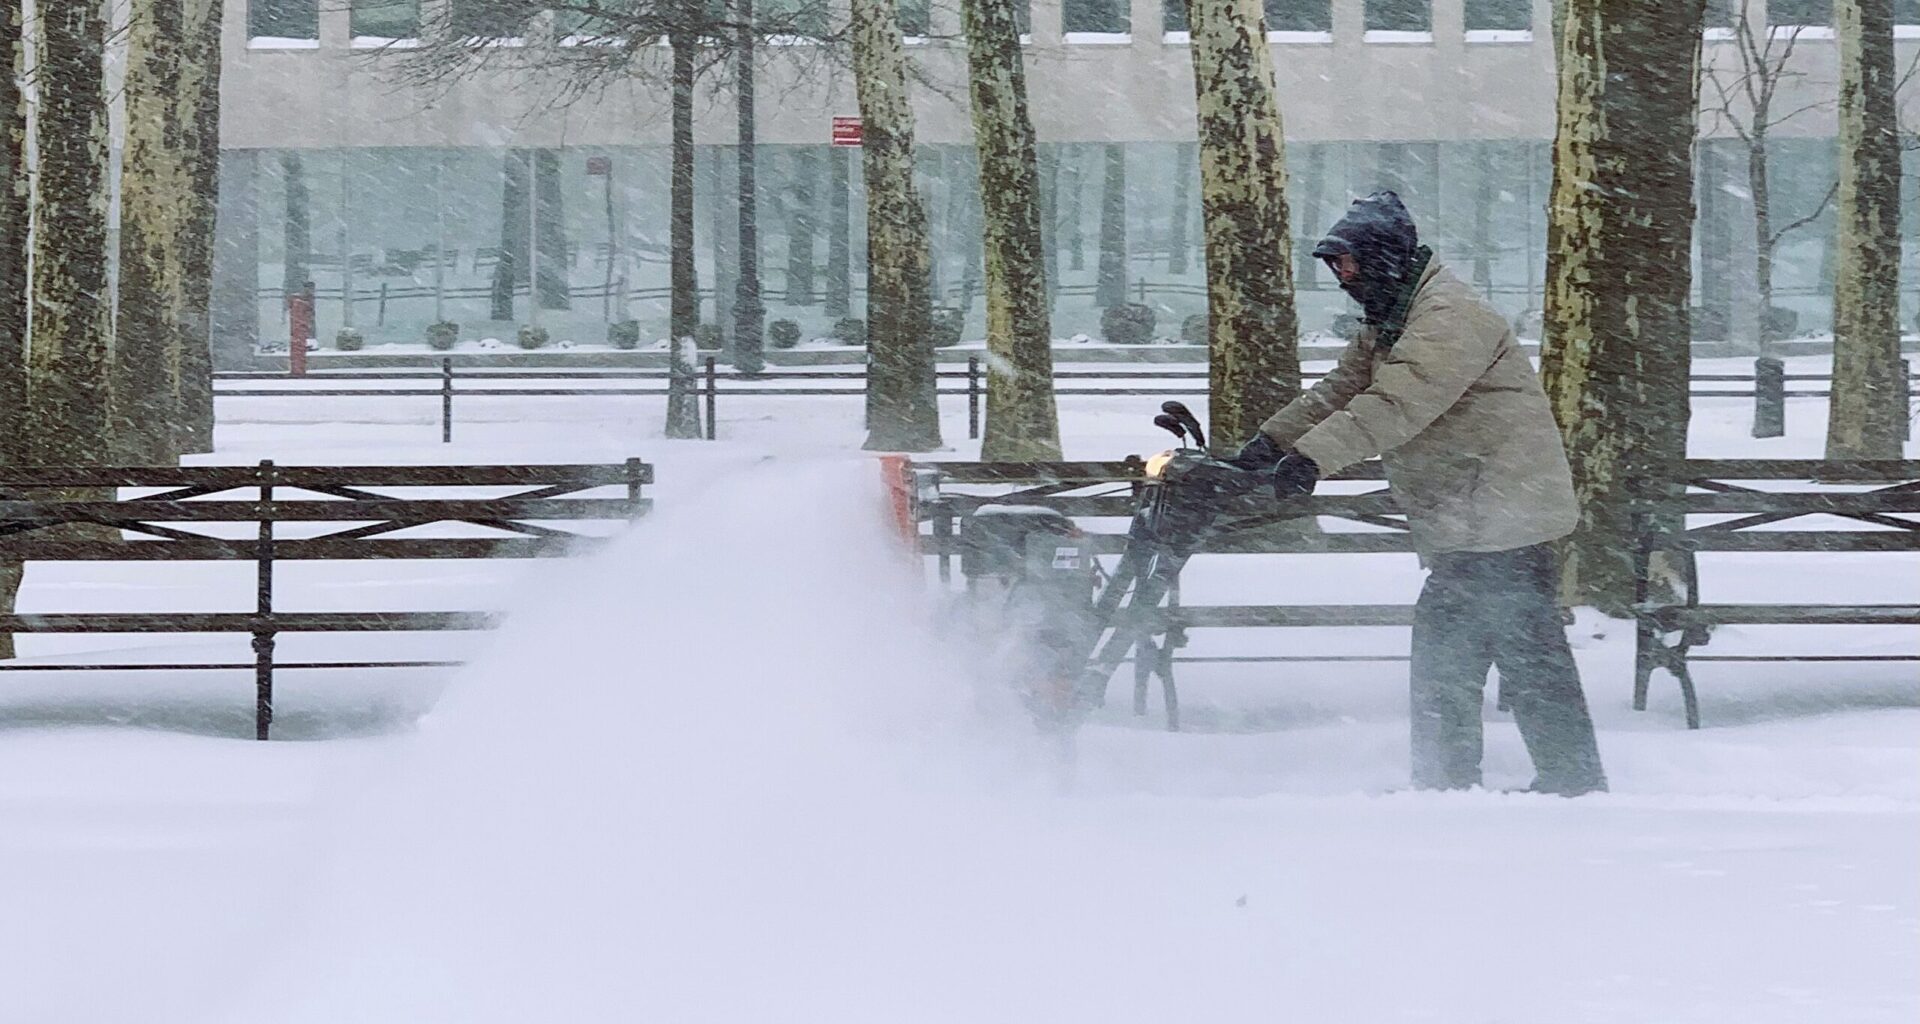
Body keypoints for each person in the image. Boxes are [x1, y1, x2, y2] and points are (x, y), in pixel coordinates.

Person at [1232, 191, 1607, 796]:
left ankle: (1508, 784)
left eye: (1350, 267)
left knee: (1497, 660)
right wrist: (1268, 443)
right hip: (1470, 517)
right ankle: (1479, 781)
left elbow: (1397, 403)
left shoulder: (1450, 317)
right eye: (1337, 270)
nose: (1344, 281)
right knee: (1482, 659)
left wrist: (1310, 459)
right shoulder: (1395, 315)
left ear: (1384, 259)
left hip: (1503, 514)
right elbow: (1340, 390)